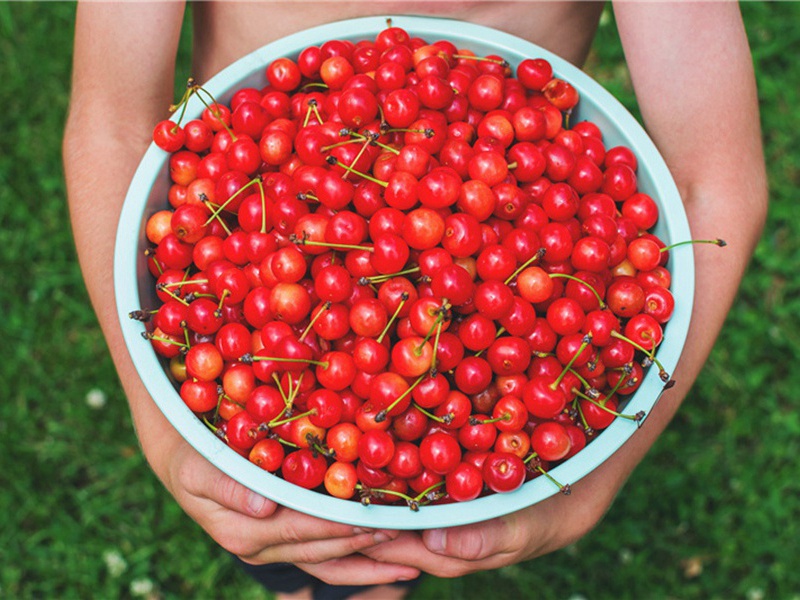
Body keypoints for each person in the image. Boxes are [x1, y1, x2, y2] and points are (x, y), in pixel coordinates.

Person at [63, 2, 767, 599]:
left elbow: (713, 179)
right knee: (300, 542)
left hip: (496, 291)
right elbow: (114, 120)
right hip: (252, 235)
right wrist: (162, 435)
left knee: (397, 507)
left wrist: (604, 468)